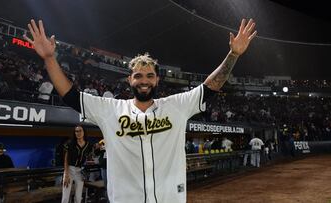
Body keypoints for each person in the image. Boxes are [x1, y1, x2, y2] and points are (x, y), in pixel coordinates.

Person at [24, 18, 256, 203]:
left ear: (156, 81)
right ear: (130, 80)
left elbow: (210, 87)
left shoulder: (176, 106)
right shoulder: (110, 110)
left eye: (149, 75)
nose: (144, 80)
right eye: (138, 75)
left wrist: (233, 55)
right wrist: (49, 58)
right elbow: (70, 95)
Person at [62, 125, 93, 203]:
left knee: (78, 197)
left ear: (84, 132)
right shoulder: (70, 143)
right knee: (65, 197)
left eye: (80, 131)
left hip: (80, 171)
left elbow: (89, 156)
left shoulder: (88, 145)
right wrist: (66, 174)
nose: (78, 133)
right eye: (76, 131)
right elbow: (66, 159)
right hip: (70, 170)